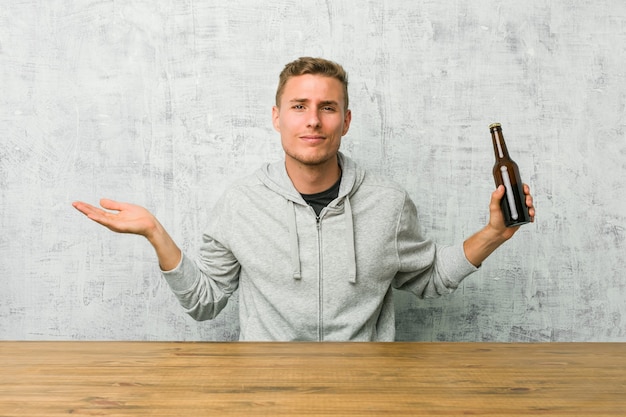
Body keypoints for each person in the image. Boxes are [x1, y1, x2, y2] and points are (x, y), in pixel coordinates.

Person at [73, 57, 535, 341]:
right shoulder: (240, 204)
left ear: (346, 120)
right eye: (299, 106)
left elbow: (430, 277)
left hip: (366, 391)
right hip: (267, 390)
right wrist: (156, 233)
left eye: (327, 107)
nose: (312, 120)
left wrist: (495, 232)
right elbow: (205, 302)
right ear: (277, 117)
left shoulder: (388, 203)